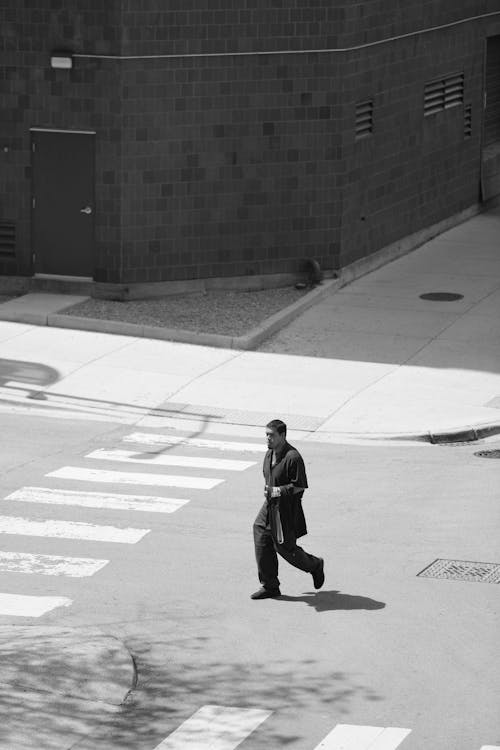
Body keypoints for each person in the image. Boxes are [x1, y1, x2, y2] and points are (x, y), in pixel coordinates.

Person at [251, 419, 324, 599]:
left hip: (284, 510)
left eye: (272, 435)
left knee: (285, 548)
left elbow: (300, 486)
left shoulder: (293, 457)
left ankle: (315, 565)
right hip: (270, 506)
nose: (268, 439)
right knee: (260, 532)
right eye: (266, 435)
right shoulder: (269, 454)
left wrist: (278, 491)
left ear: (283, 436)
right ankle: (270, 586)